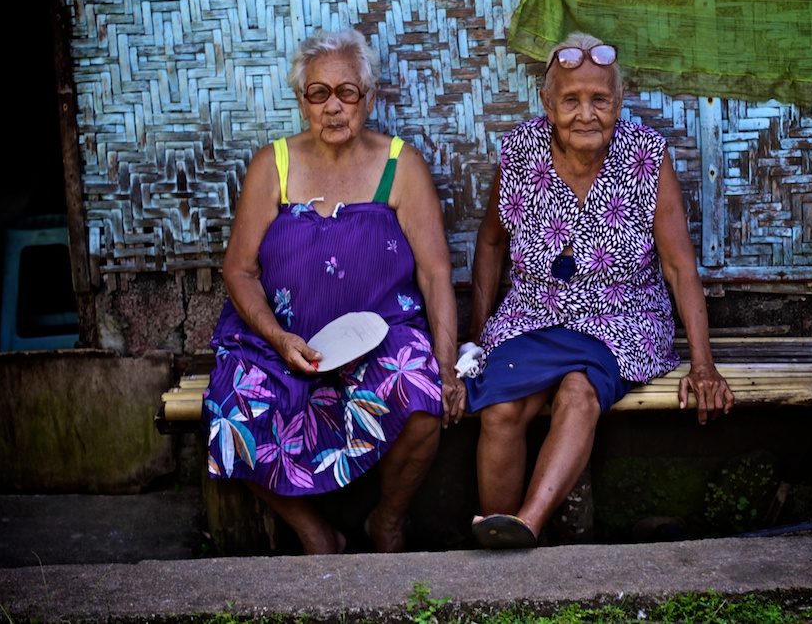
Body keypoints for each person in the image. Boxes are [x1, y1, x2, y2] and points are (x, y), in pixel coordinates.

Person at [201, 28, 466, 554]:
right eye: (318, 93)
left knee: (422, 398)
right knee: (229, 413)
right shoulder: (272, 165)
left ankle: (387, 521)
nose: (333, 107)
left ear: (368, 98)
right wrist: (278, 338)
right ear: (302, 101)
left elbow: (437, 273)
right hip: (283, 344)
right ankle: (315, 532)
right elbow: (239, 270)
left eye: (347, 92)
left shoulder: (399, 165)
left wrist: (447, 364)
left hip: (381, 336)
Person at [466, 32, 734, 549]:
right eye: (570, 100)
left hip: (620, 317)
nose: (585, 113)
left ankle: (526, 525)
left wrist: (703, 363)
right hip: (532, 313)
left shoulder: (646, 156)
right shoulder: (520, 152)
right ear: (548, 103)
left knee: (577, 392)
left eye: (599, 99)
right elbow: (491, 242)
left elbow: (679, 266)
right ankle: (494, 531)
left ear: (619, 101)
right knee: (500, 408)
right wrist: (476, 341)